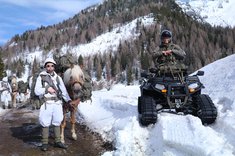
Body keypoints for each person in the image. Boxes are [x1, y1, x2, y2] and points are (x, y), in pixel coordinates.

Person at [34, 57, 76, 151]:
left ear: (54, 67)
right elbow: (36, 91)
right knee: (45, 122)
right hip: (46, 103)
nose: (50, 67)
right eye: (48, 66)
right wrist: (46, 89)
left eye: (52, 66)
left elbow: (64, 91)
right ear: (45, 67)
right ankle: (44, 143)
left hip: (57, 103)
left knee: (57, 121)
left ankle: (58, 141)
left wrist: (68, 101)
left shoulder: (58, 78)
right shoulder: (41, 77)